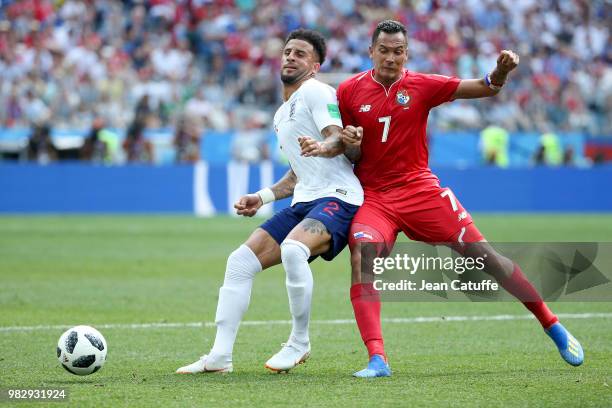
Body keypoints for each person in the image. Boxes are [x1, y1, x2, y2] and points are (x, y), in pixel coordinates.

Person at [309, 20, 584, 378]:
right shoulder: (348, 91)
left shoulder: (423, 85)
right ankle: (378, 359)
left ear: (406, 53)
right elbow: (348, 149)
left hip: (420, 191)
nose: (391, 58)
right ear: (370, 51)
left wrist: (499, 72)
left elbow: (485, 88)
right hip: (375, 199)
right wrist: (348, 145)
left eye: (398, 51)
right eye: (384, 50)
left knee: (489, 259)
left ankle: (552, 324)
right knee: (363, 259)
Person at [176, 29, 363, 374]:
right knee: (239, 262)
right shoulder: (281, 115)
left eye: (301, 54)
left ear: (315, 66)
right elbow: (296, 174)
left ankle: (299, 342)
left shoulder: (316, 91)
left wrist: (324, 147)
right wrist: (260, 197)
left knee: (294, 249)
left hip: (339, 197)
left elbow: (336, 137)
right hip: (305, 201)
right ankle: (219, 357)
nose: (291, 57)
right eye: (288, 51)